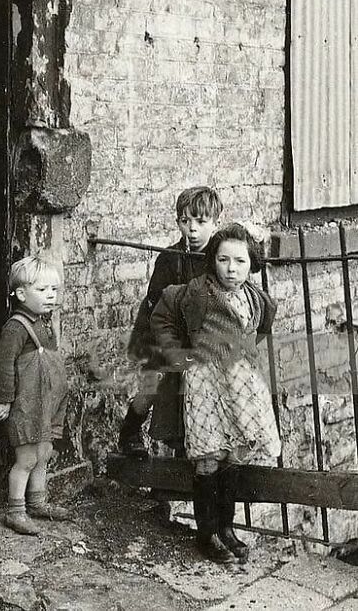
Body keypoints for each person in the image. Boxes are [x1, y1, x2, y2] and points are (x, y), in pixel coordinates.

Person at [150, 223, 280, 563]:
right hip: (205, 386)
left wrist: (243, 360)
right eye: (223, 260)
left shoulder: (256, 299)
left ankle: (226, 528)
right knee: (208, 458)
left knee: (233, 454)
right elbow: (161, 314)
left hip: (239, 388)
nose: (231, 269)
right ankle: (206, 534)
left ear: (252, 264)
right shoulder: (196, 292)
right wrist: (178, 355)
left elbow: (260, 329)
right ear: (213, 261)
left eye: (239, 261)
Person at [119, 186, 223, 456]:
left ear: (216, 223)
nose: (192, 229)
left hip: (199, 337)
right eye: (185, 221)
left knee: (194, 391)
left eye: (201, 222)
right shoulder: (169, 259)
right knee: (154, 385)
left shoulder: (219, 259)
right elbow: (155, 299)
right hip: (163, 332)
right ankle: (130, 431)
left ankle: (188, 448)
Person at [0, 255, 71, 536]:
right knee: (26, 458)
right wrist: (5, 399)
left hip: (47, 403)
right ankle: (15, 511)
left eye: (54, 290)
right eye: (42, 290)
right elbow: (3, 364)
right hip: (27, 405)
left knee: (44, 453)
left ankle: (37, 501)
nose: (50, 296)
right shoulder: (16, 327)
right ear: (22, 293)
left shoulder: (44, 322)